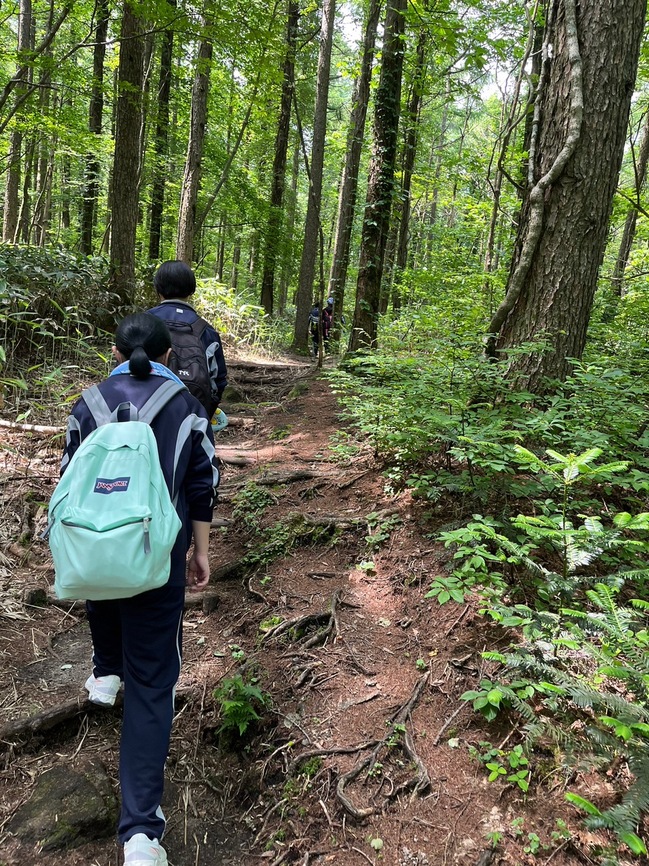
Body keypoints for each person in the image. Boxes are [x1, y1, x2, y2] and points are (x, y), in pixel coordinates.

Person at [60, 313, 219, 866]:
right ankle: (140, 836)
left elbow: (71, 479)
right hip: (157, 557)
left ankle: (105, 674)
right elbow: (202, 485)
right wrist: (200, 551)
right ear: (169, 357)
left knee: (105, 590)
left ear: (114, 349)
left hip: (94, 551)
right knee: (152, 684)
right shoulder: (186, 408)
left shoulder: (88, 403)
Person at [148, 260, 228, 424]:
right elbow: (219, 381)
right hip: (192, 417)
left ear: (158, 288)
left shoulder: (141, 322)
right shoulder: (207, 331)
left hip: (145, 415)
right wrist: (205, 414)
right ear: (191, 290)